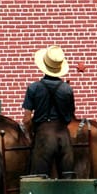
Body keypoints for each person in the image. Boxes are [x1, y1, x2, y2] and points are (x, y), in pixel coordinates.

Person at [21, 45, 76, 179]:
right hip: (64, 136)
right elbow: (70, 117)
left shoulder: (34, 88)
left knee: (39, 179)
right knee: (68, 179)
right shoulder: (67, 90)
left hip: (43, 137)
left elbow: (26, 119)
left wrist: (30, 134)